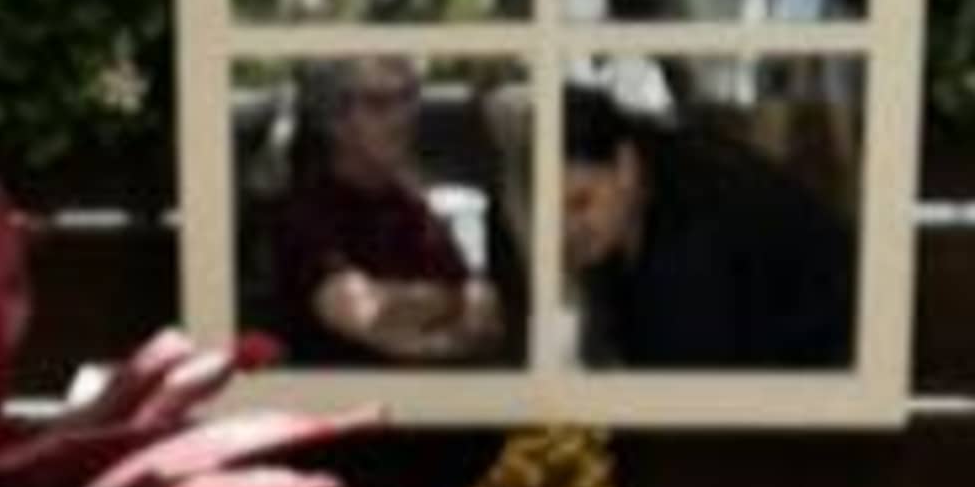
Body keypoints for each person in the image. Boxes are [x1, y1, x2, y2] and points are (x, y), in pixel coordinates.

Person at [556, 85, 857, 372]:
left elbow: (690, 394)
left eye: (581, 202)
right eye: (552, 212)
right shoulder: (650, 180)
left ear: (627, 167)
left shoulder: (695, 229)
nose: (567, 230)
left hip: (845, 379)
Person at [265, 59, 505, 364]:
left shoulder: (406, 199)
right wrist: (450, 302)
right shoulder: (306, 213)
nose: (402, 118)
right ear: (334, 122)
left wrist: (431, 310)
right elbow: (364, 312)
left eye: (408, 97)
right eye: (378, 104)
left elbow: (483, 310)